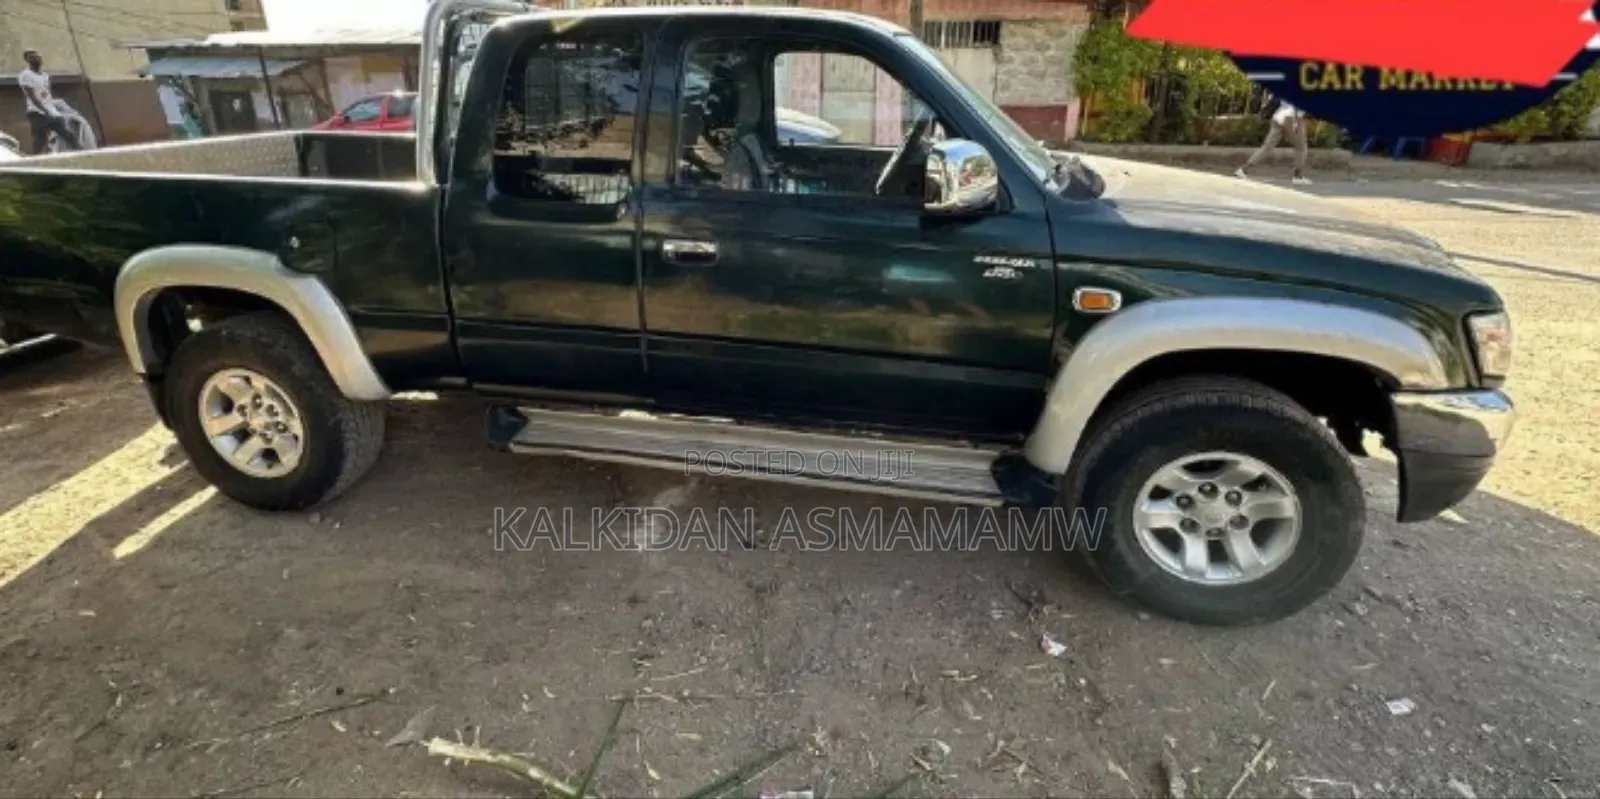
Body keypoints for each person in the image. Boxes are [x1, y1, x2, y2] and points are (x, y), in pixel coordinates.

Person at [18, 50, 83, 154]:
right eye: (32, 57)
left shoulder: (45, 75)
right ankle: (36, 159)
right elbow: (31, 96)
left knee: (67, 133)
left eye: (37, 57)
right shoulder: (25, 75)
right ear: (27, 60)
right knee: (39, 139)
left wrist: (53, 109)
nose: (36, 59)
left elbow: (47, 95)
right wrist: (45, 110)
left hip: (51, 111)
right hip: (36, 112)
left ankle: (82, 152)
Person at [1236, 97, 1309, 185]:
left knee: (1267, 147)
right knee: (1301, 147)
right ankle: (1298, 177)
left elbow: (1276, 99)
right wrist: (1296, 121)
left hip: (1278, 116)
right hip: (1292, 117)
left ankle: (1243, 169)